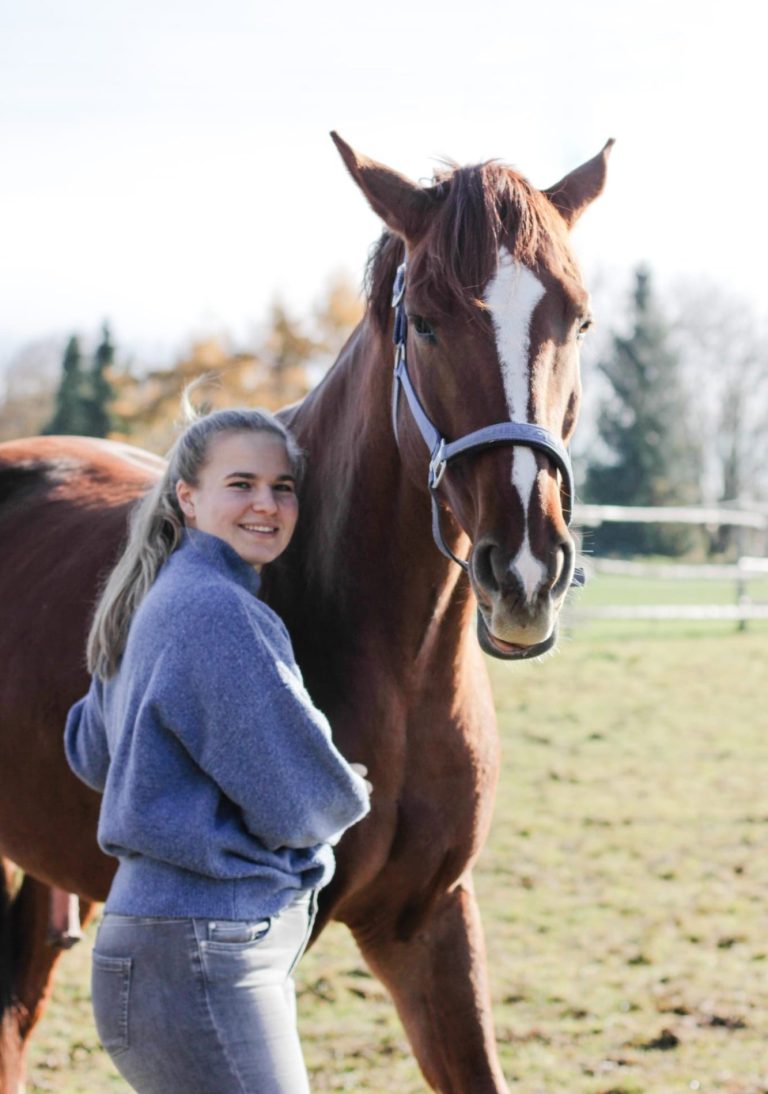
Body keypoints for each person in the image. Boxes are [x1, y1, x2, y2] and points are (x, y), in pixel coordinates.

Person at [64, 404, 372, 1094]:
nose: (267, 504)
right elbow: (306, 804)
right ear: (187, 497)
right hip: (201, 955)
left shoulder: (156, 596)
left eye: (282, 487)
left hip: (171, 950)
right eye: (241, 484)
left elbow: (89, 750)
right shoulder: (217, 611)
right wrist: (350, 785)